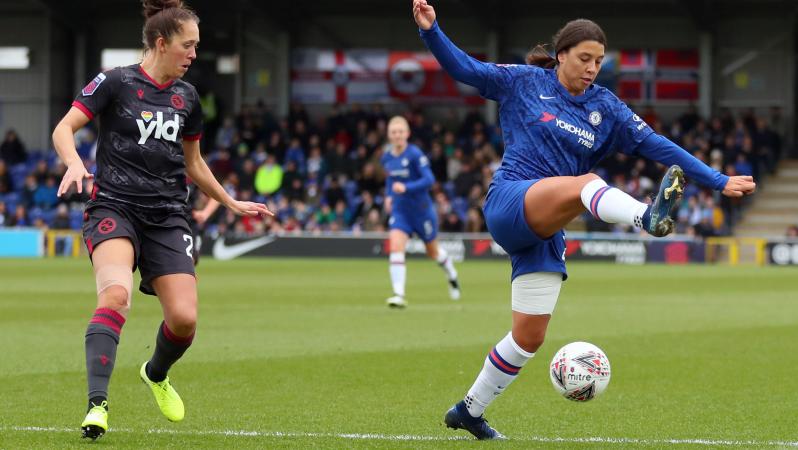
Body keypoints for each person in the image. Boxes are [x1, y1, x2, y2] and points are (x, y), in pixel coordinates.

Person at [412, 1, 756, 440]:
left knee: (528, 338)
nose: (593, 68)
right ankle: (645, 217)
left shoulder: (605, 107)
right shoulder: (522, 82)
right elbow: (465, 69)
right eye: (584, 58)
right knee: (585, 182)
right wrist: (431, 31)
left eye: (599, 60)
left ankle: (469, 411)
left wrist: (717, 178)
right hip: (509, 202)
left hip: (544, 229)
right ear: (561, 55)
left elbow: (658, 146)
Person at [51, 0, 271, 440]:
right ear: (161, 42)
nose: (194, 54)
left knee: (185, 320)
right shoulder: (115, 82)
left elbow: (194, 162)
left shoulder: (187, 97)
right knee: (115, 296)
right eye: (188, 46)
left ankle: (155, 373)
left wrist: (230, 202)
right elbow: (63, 128)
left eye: (197, 46)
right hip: (114, 206)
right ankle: (98, 406)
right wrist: (73, 162)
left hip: (168, 215)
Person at [381, 116, 460, 308]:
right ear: (389, 135)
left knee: (432, 252)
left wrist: (406, 188)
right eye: (394, 132)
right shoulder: (387, 157)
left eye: (401, 132)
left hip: (422, 211)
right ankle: (398, 294)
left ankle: (452, 273)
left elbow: (429, 180)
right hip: (401, 211)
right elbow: (391, 181)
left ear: (407, 134)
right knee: (396, 246)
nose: (397, 135)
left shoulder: (415, 154)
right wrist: (389, 195)